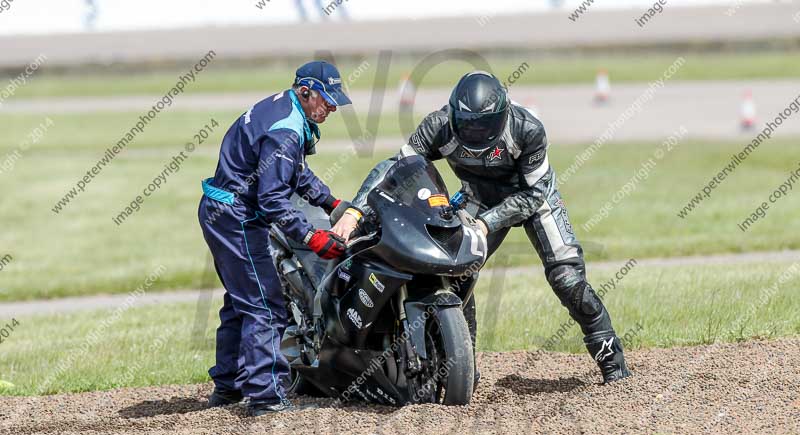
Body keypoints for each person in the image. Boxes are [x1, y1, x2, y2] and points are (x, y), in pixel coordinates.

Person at [332, 71, 631, 384]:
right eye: (466, 122)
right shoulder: (438, 126)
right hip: (477, 199)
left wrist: (488, 223)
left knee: (568, 280)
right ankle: (462, 369)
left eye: (483, 123)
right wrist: (355, 211)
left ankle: (613, 364)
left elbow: (534, 193)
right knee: (454, 276)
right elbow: (397, 168)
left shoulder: (527, 129)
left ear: (501, 116)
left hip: (533, 198)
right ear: (453, 113)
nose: (474, 130)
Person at [198, 61, 354, 417]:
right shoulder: (286, 130)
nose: (330, 108)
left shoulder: (285, 108)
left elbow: (294, 172)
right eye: (326, 100)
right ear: (306, 91)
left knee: (242, 301)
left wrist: (329, 202)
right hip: (235, 216)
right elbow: (272, 200)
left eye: (334, 102)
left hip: (222, 210)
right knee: (265, 305)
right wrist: (312, 237)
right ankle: (265, 397)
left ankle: (228, 386)